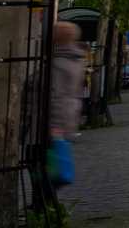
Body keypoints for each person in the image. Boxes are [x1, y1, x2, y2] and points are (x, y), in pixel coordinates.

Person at [47, 22, 86, 190]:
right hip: (68, 116)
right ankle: (47, 202)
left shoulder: (58, 61)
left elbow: (56, 94)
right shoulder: (76, 58)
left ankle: (43, 204)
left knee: (47, 163)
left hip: (54, 120)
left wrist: (55, 125)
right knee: (52, 163)